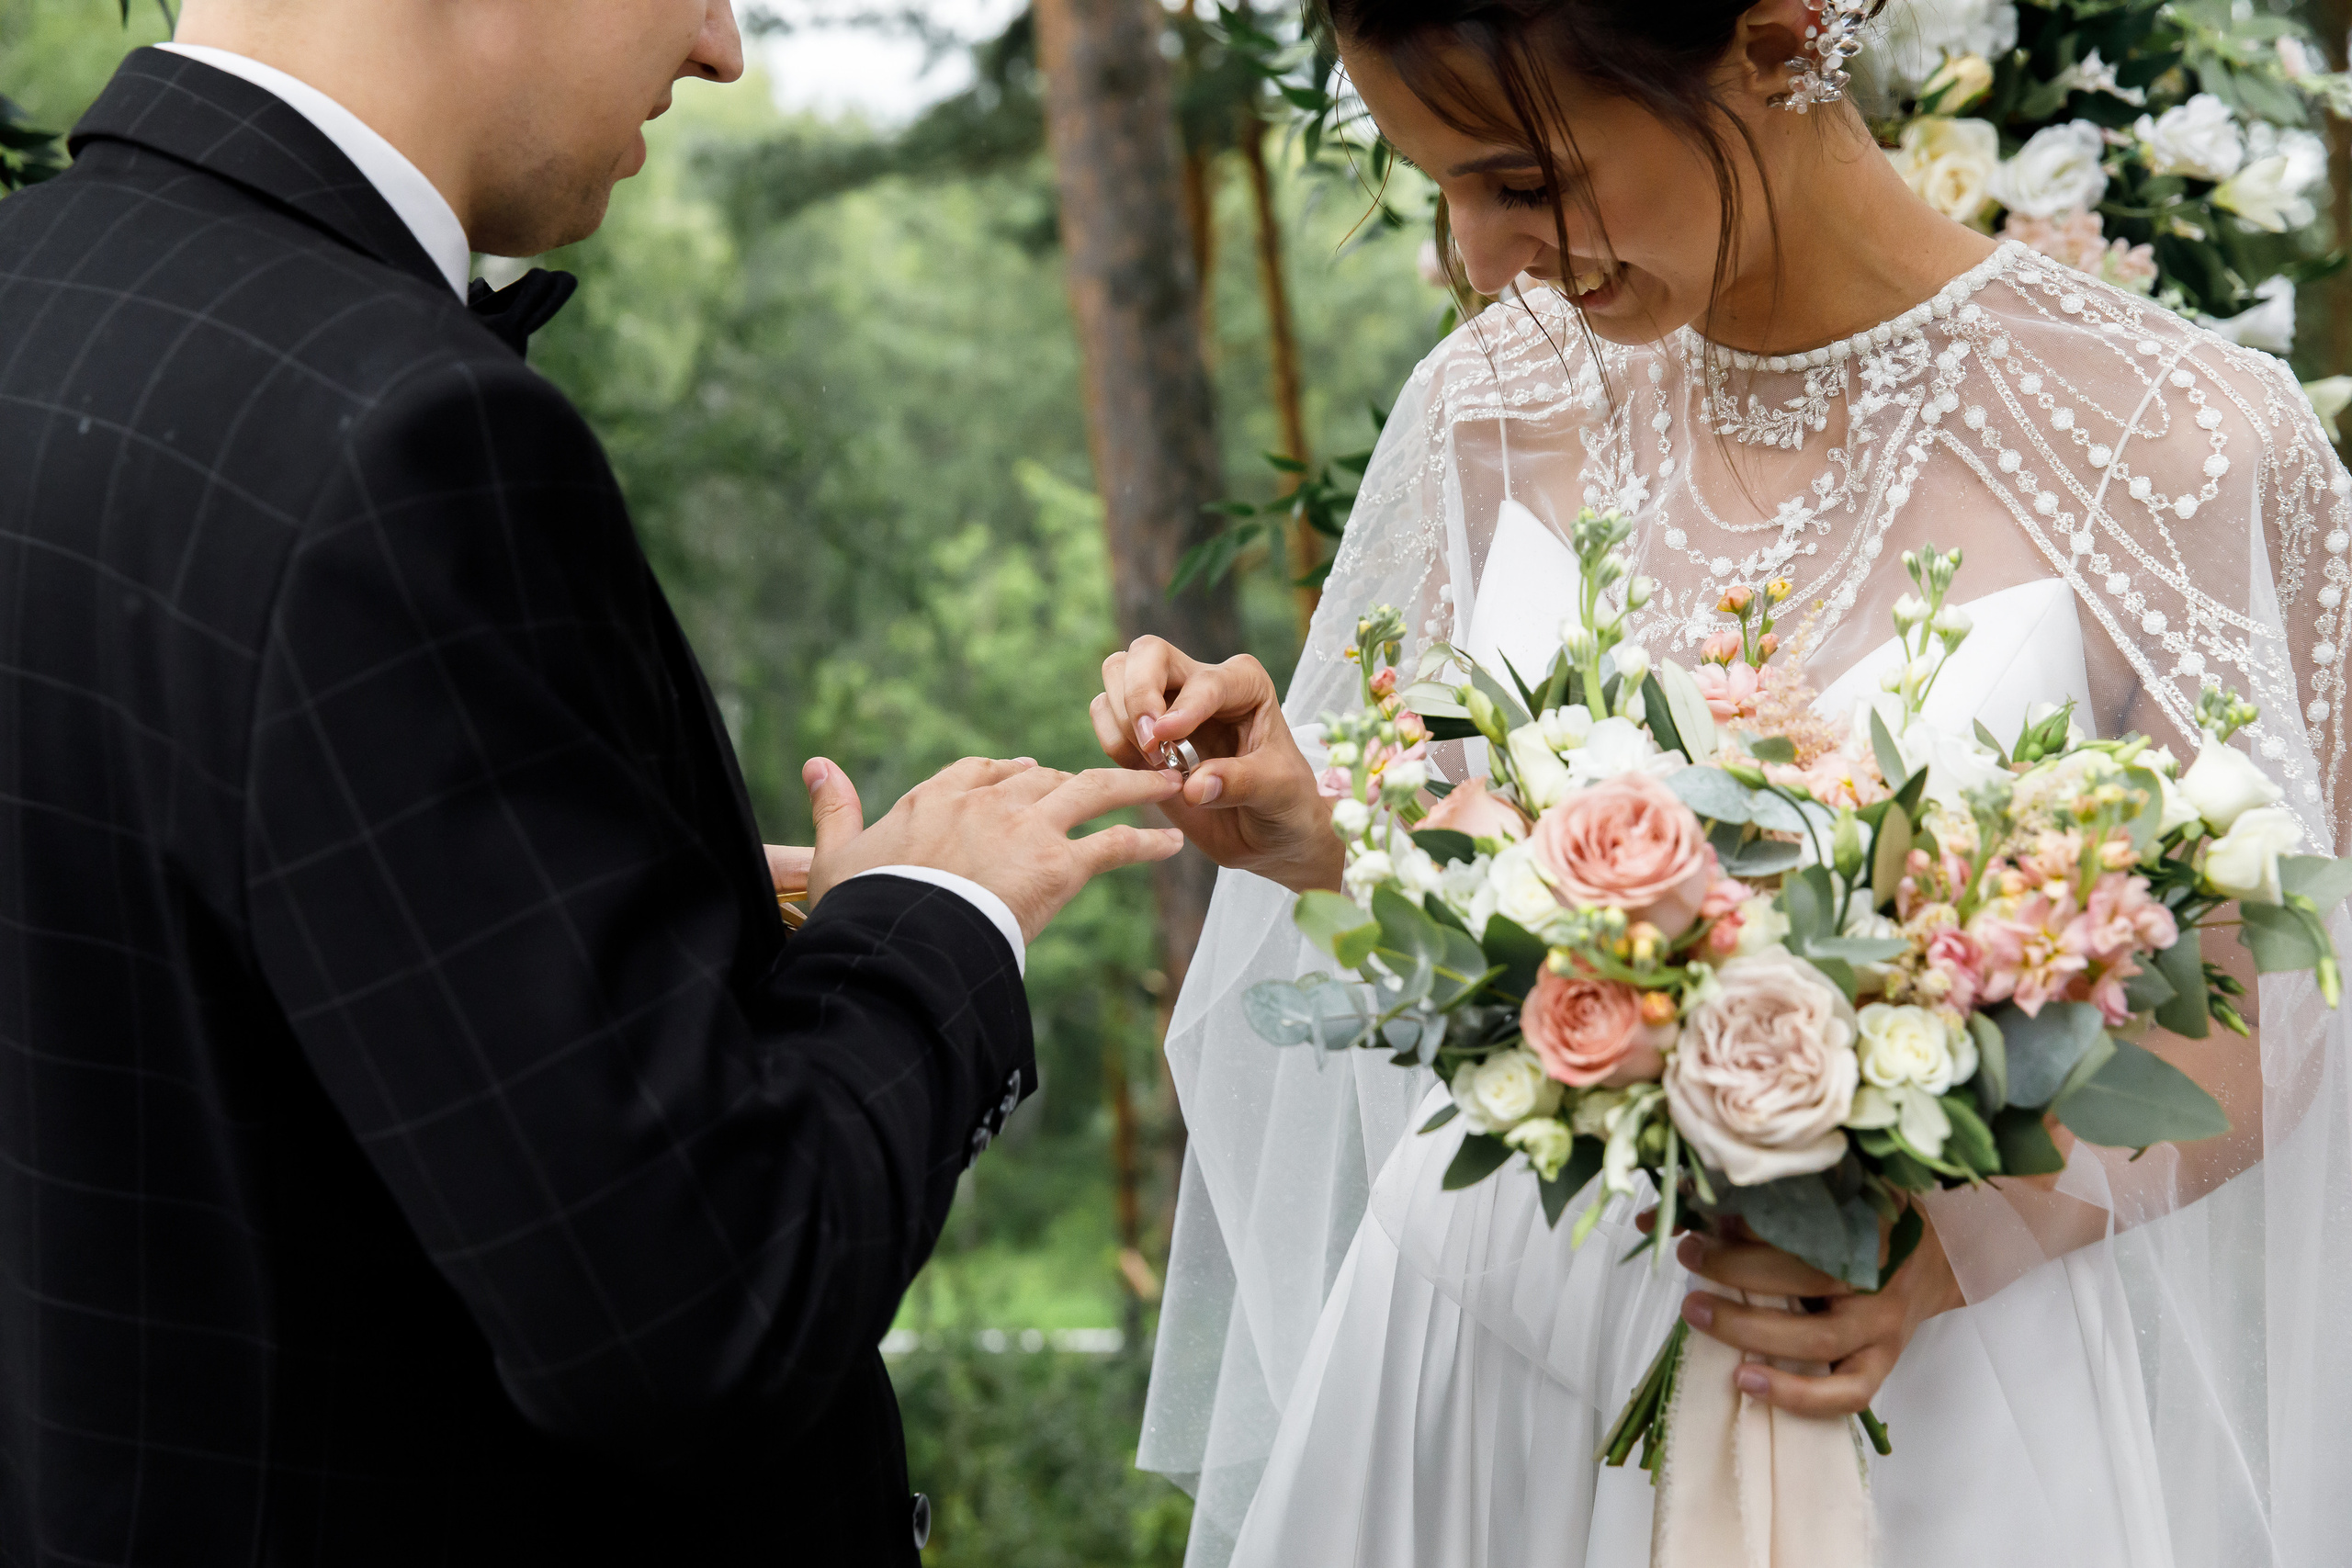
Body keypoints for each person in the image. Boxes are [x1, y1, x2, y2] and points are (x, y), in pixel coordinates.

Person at [1094, 1, 2352, 1563]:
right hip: (1459, 1357)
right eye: (1444, 189)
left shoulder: (2186, 449)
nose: (1482, 260)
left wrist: (1946, 1251)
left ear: (1775, 39)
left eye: (1525, 181)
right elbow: (1485, 870)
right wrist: (1323, 825)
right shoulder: (1491, 407)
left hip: (1917, 1397)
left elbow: (2280, 1005)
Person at [0, 1, 1189, 1562]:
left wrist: (661, 916)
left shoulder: (37, 299)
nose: (721, 48)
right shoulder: (403, 434)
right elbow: (700, 1313)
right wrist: (933, 919)